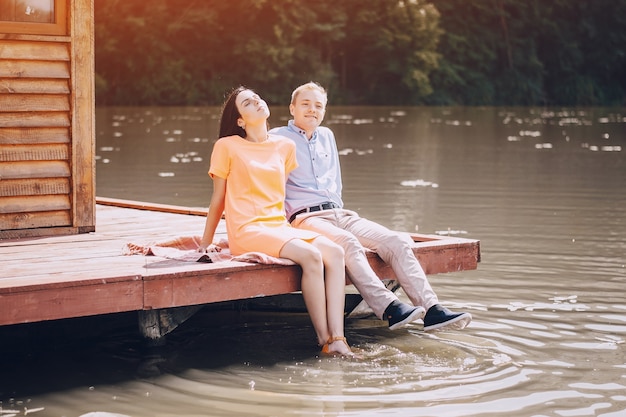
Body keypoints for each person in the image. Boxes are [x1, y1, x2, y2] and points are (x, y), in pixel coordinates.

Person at [271, 82, 472, 332]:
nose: (312, 110)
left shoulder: (327, 136)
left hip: (339, 212)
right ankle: (389, 308)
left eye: (318, 106)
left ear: (324, 111)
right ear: (292, 108)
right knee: (348, 243)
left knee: (396, 241)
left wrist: (339, 210)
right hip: (306, 218)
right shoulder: (277, 137)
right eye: (306, 104)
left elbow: (336, 181)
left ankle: (432, 309)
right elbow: (270, 182)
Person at [198, 86, 353, 356]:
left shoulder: (285, 146)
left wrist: (290, 230)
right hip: (247, 229)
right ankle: (324, 341)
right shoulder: (227, 146)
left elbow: (279, 195)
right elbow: (218, 199)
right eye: (248, 102)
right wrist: (206, 242)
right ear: (239, 120)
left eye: (257, 97)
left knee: (336, 253)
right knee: (311, 256)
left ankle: (339, 338)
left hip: (278, 226)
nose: (257, 101)